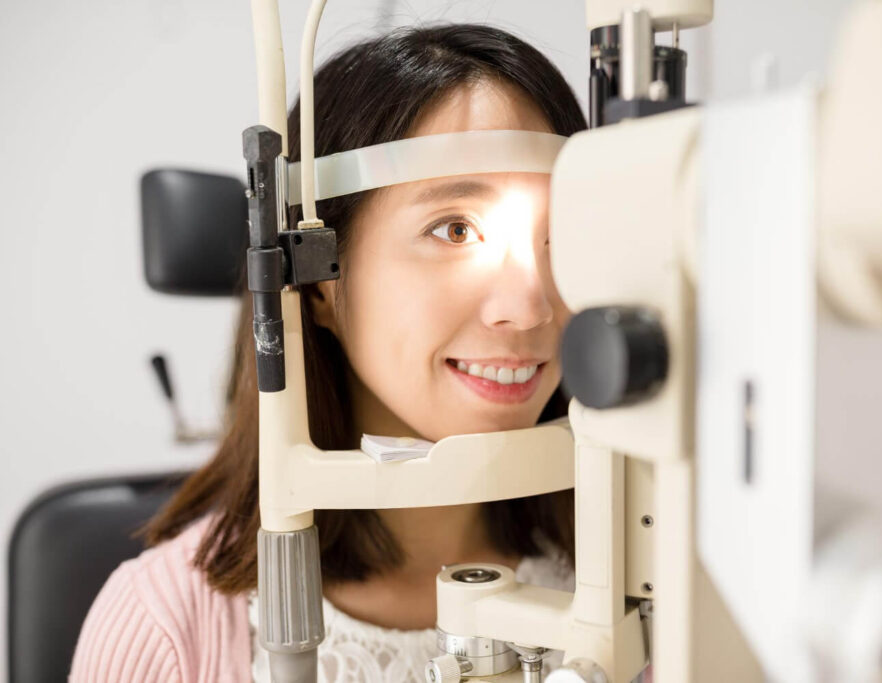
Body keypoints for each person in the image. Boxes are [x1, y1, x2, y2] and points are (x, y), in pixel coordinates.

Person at [70, 23, 586, 683]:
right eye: (455, 228)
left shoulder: (639, 585)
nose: (531, 304)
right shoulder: (167, 632)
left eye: (557, 234)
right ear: (315, 279)